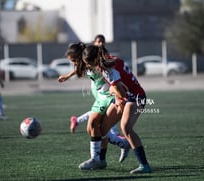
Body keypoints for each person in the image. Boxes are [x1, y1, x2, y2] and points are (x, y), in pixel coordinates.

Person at [58, 42, 130, 170]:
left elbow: (113, 76)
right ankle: (121, 144)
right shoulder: (84, 64)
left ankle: (97, 159)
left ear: (82, 56)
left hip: (109, 95)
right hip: (100, 96)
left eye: (74, 60)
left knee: (95, 126)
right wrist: (67, 76)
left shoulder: (95, 62)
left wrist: (119, 95)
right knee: (92, 128)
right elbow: (78, 69)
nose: (74, 63)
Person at [81, 45, 152, 174]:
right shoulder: (109, 60)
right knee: (102, 129)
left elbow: (121, 91)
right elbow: (118, 88)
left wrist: (115, 94)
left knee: (126, 128)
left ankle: (144, 165)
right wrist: (115, 94)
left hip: (136, 97)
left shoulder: (107, 69)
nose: (88, 66)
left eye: (88, 63)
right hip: (124, 97)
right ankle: (101, 161)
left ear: (95, 60)